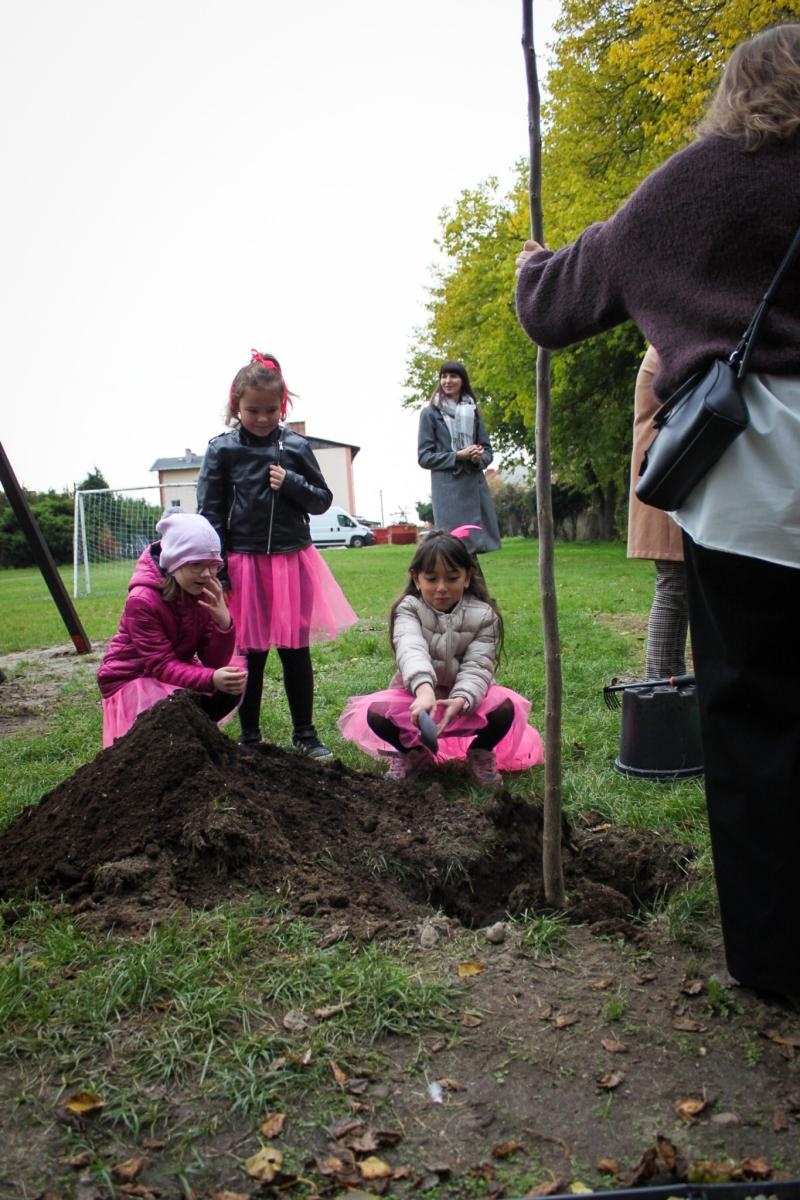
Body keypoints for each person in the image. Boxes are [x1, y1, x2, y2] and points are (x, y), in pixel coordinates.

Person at [515, 24, 800, 1005]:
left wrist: (530, 263)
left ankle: (772, 963)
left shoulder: (694, 186)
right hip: (752, 493)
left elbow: (553, 307)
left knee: (755, 717)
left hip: (749, 491)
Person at [196, 350, 357, 758]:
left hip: (290, 560)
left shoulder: (296, 446)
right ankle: (249, 736)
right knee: (249, 652)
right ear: (236, 405)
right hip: (243, 562)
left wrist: (290, 483)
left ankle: (305, 733)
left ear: (281, 406)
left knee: (295, 650)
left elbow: (322, 500)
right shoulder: (222, 450)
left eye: (271, 410)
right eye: (253, 410)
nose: (263, 418)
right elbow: (209, 513)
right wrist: (221, 571)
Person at [338, 530, 543, 783]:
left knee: (505, 708)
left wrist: (462, 699)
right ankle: (412, 754)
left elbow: (478, 665)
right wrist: (424, 691)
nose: (442, 588)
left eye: (453, 578)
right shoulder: (408, 609)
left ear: (467, 577)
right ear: (416, 578)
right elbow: (410, 648)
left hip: (466, 697)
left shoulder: (484, 616)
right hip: (416, 696)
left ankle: (480, 751)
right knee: (375, 713)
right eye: (432, 578)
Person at [97, 512, 247, 747]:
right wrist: (210, 678)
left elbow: (213, 660)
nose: (207, 574)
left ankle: (193, 742)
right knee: (172, 705)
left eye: (213, 566)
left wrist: (223, 622)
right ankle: (169, 746)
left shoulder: (201, 591)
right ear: (174, 562)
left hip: (170, 675)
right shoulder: (142, 600)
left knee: (229, 689)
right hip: (133, 680)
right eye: (196, 564)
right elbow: (160, 665)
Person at [628, 346, 689, 679]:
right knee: (675, 585)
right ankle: (662, 688)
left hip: (670, 472)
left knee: (678, 587)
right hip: (669, 474)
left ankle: (670, 686)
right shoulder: (673, 343)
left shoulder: (674, 337)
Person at [417, 360, 502, 555]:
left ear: (462, 380)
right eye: (444, 376)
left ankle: (470, 585)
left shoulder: (473, 411)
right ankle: (464, 584)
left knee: (471, 551)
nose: (448, 381)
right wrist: (458, 456)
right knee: (454, 548)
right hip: (448, 493)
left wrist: (477, 457)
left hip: (473, 486)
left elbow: (487, 452)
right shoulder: (430, 413)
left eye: (453, 376)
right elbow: (424, 457)